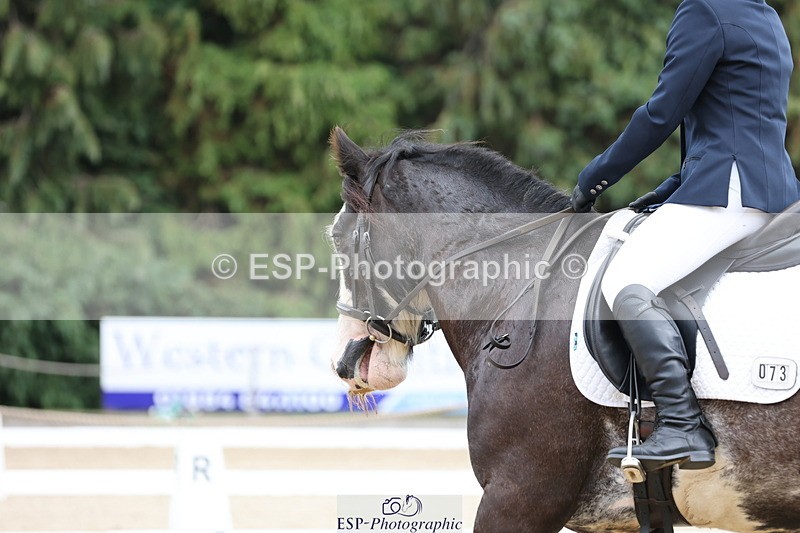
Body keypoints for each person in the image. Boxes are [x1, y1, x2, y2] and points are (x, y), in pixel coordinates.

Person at [572, 0, 800, 471]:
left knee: (626, 282)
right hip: (768, 190)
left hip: (730, 192)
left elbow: (662, 113)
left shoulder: (703, 10)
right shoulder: (763, 14)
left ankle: (682, 424)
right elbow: (732, 121)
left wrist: (594, 177)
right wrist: (667, 190)